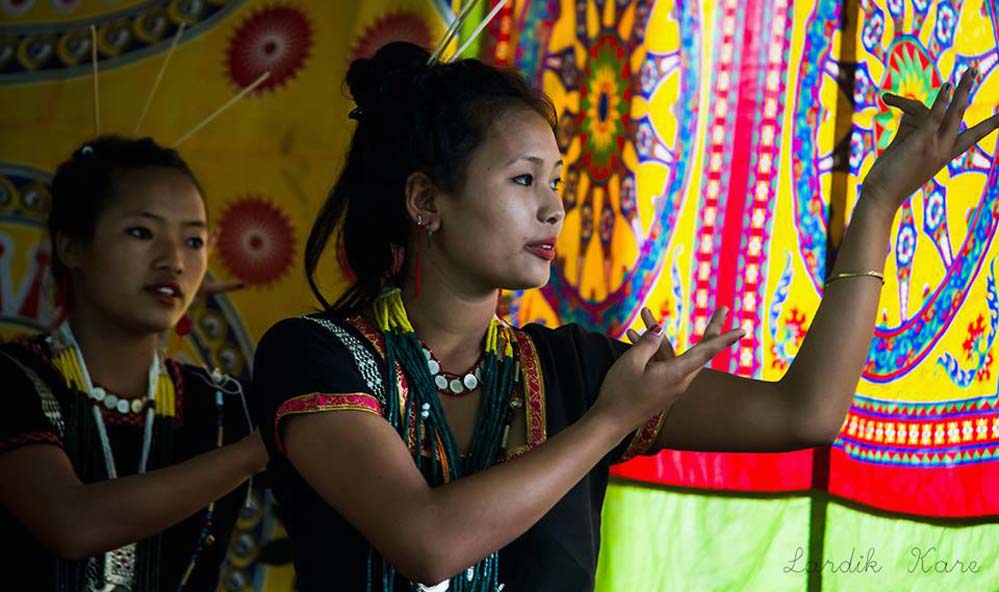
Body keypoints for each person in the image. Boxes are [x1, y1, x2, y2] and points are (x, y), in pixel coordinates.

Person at [251, 42, 997, 591]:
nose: (552, 207)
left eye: (557, 181)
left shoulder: (568, 368)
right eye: (521, 179)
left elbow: (802, 413)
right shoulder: (314, 357)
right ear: (424, 202)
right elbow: (428, 544)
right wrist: (608, 424)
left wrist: (876, 207)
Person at [0, 136, 267, 591]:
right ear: (72, 247)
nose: (174, 262)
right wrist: (255, 452)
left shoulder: (221, 406)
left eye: (194, 241)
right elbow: (70, 523)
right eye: (142, 233)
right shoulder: (14, 379)